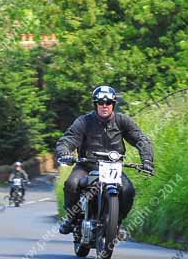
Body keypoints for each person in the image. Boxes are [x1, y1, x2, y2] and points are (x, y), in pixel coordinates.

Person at [55, 86, 154, 235]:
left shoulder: (123, 121)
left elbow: (141, 140)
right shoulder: (84, 122)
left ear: (113, 104)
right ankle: (71, 218)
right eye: (100, 102)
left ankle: (117, 224)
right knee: (71, 184)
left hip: (113, 168)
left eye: (108, 102)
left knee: (128, 190)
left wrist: (147, 161)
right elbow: (68, 139)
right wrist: (64, 152)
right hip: (86, 167)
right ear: (95, 104)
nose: (104, 105)